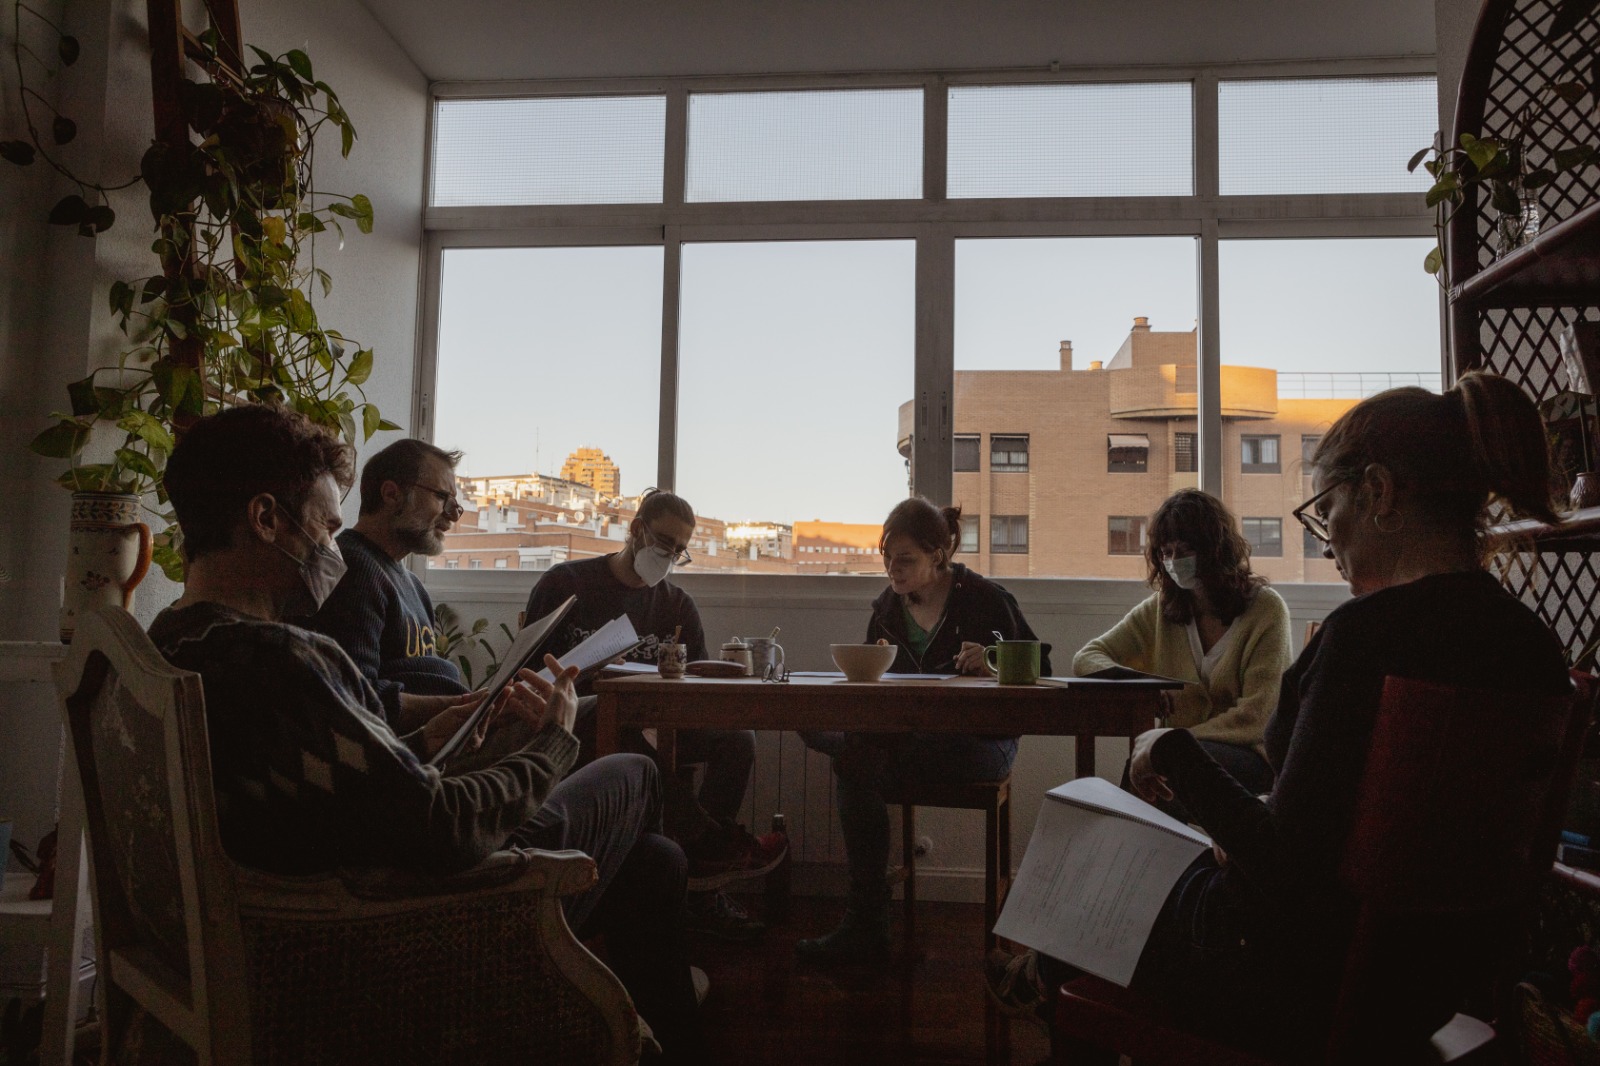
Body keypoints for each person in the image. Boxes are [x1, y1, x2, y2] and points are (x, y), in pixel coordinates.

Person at [990, 372, 1571, 1055]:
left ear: (1380, 493)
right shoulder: (1534, 648)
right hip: (1423, 991)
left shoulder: (1362, 639)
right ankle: (1047, 979)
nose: (1327, 541)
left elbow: (1286, 872)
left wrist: (1170, 750)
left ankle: (1045, 986)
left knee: (1083, 865)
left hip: (1288, 978)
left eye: (1328, 508)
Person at [150, 407, 704, 1062]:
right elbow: (442, 827)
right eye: (326, 528)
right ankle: (624, 1018)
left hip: (342, 879)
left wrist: (431, 736)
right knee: (636, 775)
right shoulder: (282, 658)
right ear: (265, 519)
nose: (335, 552)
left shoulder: (175, 640)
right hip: (405, 924)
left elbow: (344, 782)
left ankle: (647, 1017)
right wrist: (553, 742)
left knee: (654, 862)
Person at [523, 488, 784, 942]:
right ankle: (709, 844)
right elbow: (527, 671)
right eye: (665, 542)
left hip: (655, 720)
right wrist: (589, 671)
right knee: (615, 714)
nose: (670, 555)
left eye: (680, 550)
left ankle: (701, 881)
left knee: (737, 737)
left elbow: (695, 691)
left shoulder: (676, 605)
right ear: (636, 529)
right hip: (575, 718)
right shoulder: (567, 584)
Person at [797, 497, 1050, 963]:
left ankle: (865, 923)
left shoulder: (985, 599)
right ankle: (866, 921)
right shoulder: (887, 610)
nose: (892, 569)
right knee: (856, 760)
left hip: (982, 743)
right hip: (908, 740)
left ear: (938, 555)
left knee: (854, 761)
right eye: (887, 558)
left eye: (905, 559)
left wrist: (992, 662)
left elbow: (1041, 668)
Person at [1074, 489, 1292, 810]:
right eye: (1166, 552)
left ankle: (1138, 842)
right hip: (1180, 753)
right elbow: (1088, 657)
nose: (1175, 561)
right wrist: (1143, 684)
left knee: (1157, 769)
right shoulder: (1162, 609)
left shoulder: (1266, 610)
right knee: (1150, 769)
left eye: (1186, 550)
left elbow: (1258, 717)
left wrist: (1172, 742)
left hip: (1252, 758)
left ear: (1215, 548)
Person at [308, 438, 471, 731]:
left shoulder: (413, 586)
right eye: (441, 497)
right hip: (402, 748)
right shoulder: (353, 569)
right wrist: (464, 708)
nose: (451, 516)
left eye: (455, 505)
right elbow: (355, 700)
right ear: (391, 494)